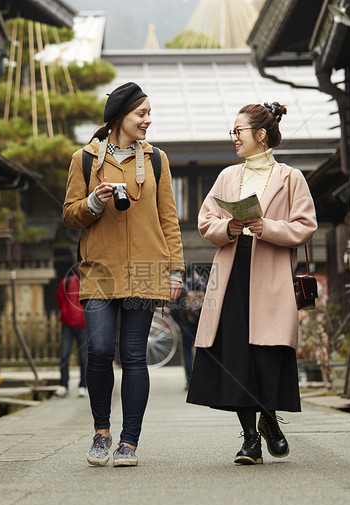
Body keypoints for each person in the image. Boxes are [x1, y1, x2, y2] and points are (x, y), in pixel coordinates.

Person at [186, 101, 317, 465]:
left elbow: (305, 226)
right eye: (233, 132)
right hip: (231, 272)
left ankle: (269, 420)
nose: (234, 138)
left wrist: (268, 228)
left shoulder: (291, 178)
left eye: (238, 131)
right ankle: (249, 439)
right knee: (236, 354)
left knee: (269, 353)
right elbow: (205, 220)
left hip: (272, 274)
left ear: (260, 135)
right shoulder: (228, 176)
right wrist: (228, 227)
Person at [63, 82, 184, 467]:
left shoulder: (157, 160)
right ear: (120, 117)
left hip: (146, 268)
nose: (148, 120)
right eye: (141, 114)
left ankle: (128, 442)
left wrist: (176, 271)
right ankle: (101, 433)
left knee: (134, 355)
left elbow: (169, 219)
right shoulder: (84, 159)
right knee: (98, 350)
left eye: (149, 113)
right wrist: (93, 203)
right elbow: (69, 214)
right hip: (99, 269)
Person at [168, 265, 207, 388]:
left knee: (186, 351)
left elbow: (173, 309)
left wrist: (179, 323)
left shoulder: (181, 286)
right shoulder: (202, 284)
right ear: (195, 271)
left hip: (185, 324)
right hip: (200, 324)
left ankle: (190, 381)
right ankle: (202, 380)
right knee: (203, 352)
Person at [56, 264, 88, 398]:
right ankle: (63, 384)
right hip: (68, 324)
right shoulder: (66, 282)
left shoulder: (91, 284)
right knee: (64, 355)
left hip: (84, 325)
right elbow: (59, 299)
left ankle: (83, 386)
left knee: (84, 358)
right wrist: (65, 311)